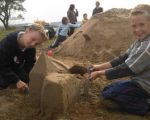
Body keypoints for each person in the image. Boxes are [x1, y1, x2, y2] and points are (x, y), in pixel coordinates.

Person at [88, 4, 150, 115]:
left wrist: (99, 73)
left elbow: (126, 69)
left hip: (146, 87)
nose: (138, 29)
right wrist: (98, 66)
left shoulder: (147, 47)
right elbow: (122, 59)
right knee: (108, 89)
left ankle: (146, 105)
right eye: (134, 26)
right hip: (139, 83)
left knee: (109, 95)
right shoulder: (140, 42)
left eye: (142, 25)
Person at [0, 24, 48, 92]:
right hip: (3, 66)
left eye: (36, 44)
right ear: (28, 30)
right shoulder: (8, 42)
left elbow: (30, 64)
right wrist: (17, 81)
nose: (32, 44)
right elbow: (2, 65)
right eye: (33, 39)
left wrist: (30, 77)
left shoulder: (31, 48)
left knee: (26, 78)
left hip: (16, 66)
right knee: (3, 83)